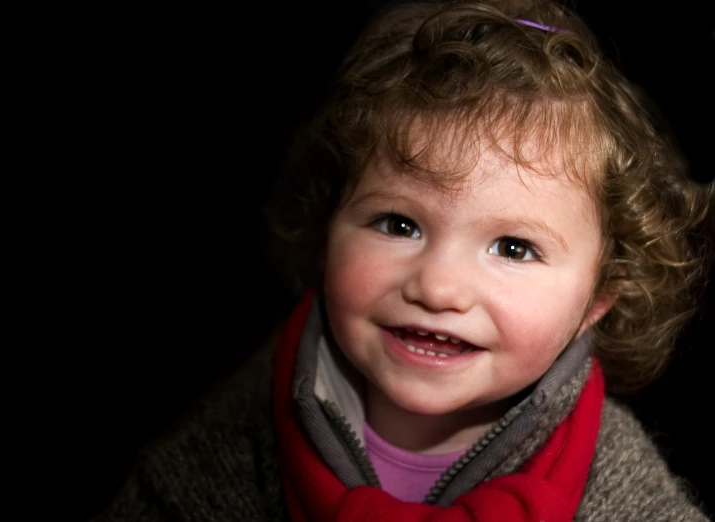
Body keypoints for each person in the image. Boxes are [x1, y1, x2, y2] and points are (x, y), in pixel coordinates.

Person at [92, 0, 714, 520]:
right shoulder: (228, 443)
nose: (439, 287)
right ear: (327, 228)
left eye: (514, 248)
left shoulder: (622, 490)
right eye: (399, 224)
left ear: (596, 301)